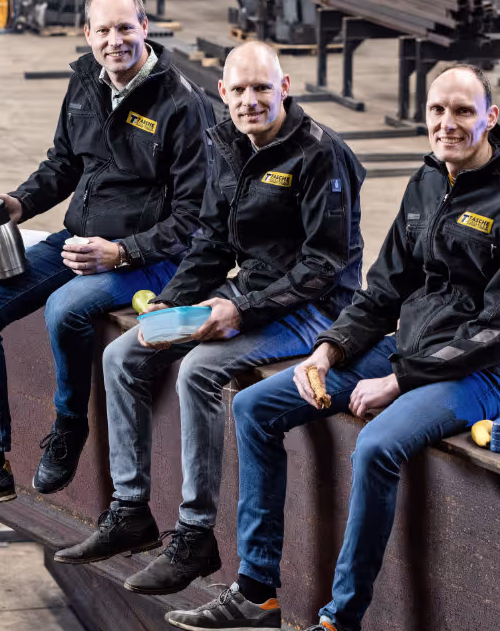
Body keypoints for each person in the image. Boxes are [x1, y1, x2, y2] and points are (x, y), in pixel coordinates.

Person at [165, 63, 500, 631]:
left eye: (463, 112)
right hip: (412, 350)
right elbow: (384, 290)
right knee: (254, 408)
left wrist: (400, 380)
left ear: (491, 117)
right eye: (437, 110)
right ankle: (256, 594)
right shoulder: (428, 179)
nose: (447, 123)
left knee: (379, 445)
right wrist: (328, 350)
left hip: (493, 372)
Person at [53, 42, 366, 596]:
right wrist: (170, 302)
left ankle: (195, 535)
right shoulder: (227, 143)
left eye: (262, 88)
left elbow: (324, 266)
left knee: (199, 370)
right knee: (124, 353)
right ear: (223, 92)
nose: (250, 101)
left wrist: (240, 310)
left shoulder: (321, 154)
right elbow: (212, 242)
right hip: (249, 290)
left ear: (284, 87)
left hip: (313, 308)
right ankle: (130, 510)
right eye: (238, 90)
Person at [0, 0, 214, 509]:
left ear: (145, 27)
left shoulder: (183, 105)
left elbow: (194, 219)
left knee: (65, 308)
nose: (115, 40)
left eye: (125, 28)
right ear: (87, 34)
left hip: (149, 257)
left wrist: (120, 253)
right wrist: (20, 203)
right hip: (77, 241)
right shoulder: (84, 82)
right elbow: (64, 163)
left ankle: (69, 425)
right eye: (104, 30)